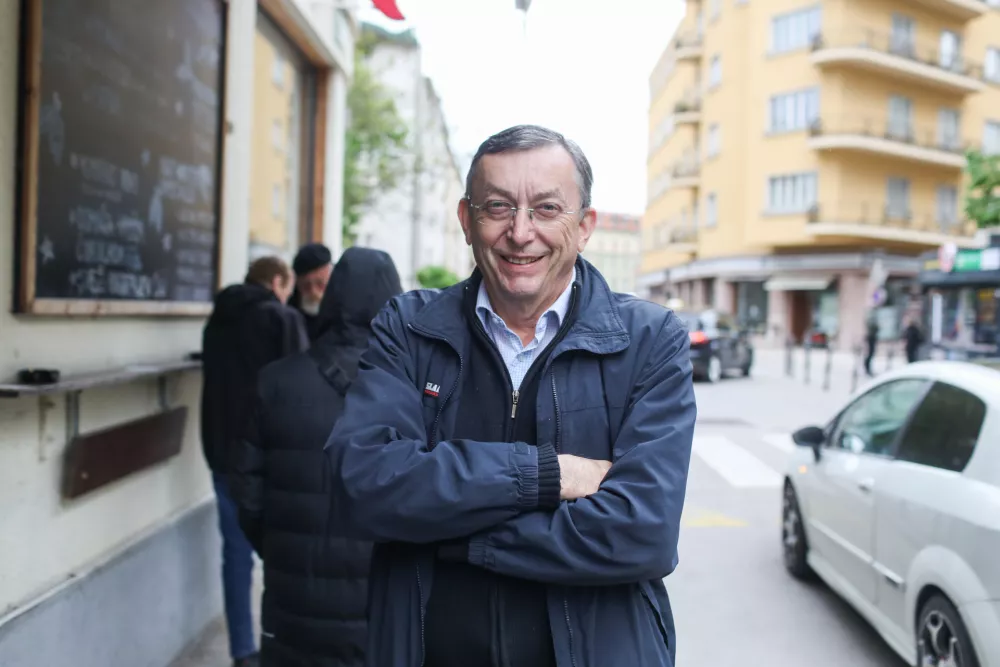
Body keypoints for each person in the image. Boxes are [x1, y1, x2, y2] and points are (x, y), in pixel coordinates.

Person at [326, 125, 697, 667]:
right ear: (466, 220)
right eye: (498, 207)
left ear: (585, 225)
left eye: (547, 209)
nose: (520, 232)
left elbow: (642, 532)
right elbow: (362, 484)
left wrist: (458, 537)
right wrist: (547, 476)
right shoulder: (408, 328)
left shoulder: (648, 342)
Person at [230, 247, 403, 667]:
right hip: (380, 611)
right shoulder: (413, 392)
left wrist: (285, 552)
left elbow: (247, 499)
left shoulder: (275, 382)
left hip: (293, 604)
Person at [201, 256, 309, 667]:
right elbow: (299, 388)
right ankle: (283, 645)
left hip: (219, 449)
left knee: (236, 554)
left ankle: (243, 652)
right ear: (279, 281)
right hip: (267, 457)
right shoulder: (279, 320)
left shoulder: (217, 319)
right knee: (284, 554)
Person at [291, 242, 334, 340]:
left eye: (321, 285)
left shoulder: (343, 310)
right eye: (306, 286)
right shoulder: (289, 314)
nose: (313, 292)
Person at [864, 312, 879, 376]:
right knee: (870, 354)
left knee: (870, 354)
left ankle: (868, 368)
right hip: (871, 338)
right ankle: (867, 369)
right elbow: (875, 328)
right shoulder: (871, 320)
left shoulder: (871, 320)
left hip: (872, 338)